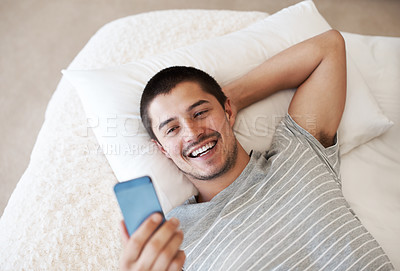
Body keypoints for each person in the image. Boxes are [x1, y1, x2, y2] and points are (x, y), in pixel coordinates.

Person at [119, 30, 394, 270]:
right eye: (172, 129)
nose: (192, 133)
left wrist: (232, 98)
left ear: (228, 110)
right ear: (162, 150)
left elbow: (328, 47)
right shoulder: (175, 235)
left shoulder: (298, 152)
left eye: (201, 112)